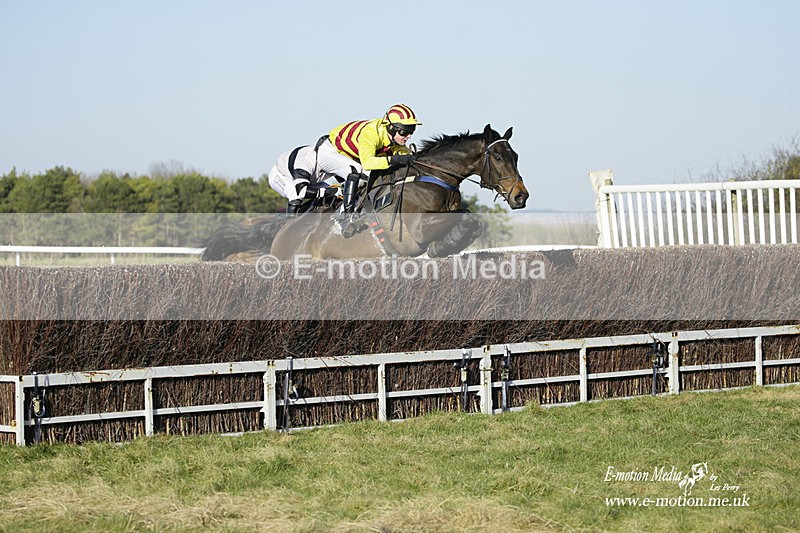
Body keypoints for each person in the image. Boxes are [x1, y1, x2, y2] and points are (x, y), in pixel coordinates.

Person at [316, 103, 422, 236]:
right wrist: (396, 159)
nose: (408, 136)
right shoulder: (371, 133)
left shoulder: (393, 138)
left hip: (351, 156)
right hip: (329, 152)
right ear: (390, 127)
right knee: (355, 171)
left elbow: (402, 155)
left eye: (411, 132)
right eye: (403, 132)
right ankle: (344, 218)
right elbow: (368, 163)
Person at [267, 145, 341, 216]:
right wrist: (329, 192)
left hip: (308, 178)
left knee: (335, 195)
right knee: (295, 195)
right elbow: (301, 192)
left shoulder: (336, 160)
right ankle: (290, 223)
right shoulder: (304, 163)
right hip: (282, 175)